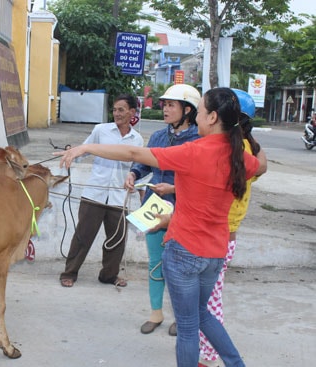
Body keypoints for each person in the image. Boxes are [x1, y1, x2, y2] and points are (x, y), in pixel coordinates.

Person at [56, 87, 267, 367]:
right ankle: (236, 364)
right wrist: (248, 138)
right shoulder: (239, 155)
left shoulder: (194, 150)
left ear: (213, 117)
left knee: (189, 326)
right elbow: (261, 166)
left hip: (185, 252)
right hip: (215, 253)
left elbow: (133, 152)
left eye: (201, 111)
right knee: (203, 314)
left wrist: (86, 147)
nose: (198, 116)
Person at [124, 84, 201, 336]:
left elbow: (203, 178)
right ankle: (156, 312)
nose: (165, 109)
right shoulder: (158, 136)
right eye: (164, 104)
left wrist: (175, 188)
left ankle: (183, 316)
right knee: (155, 262)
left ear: (188, 110)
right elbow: (144, 162)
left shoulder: (199, 140)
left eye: (171, 105)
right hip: (153, 208)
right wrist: (134, 174)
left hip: (183, 211)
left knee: (181, 268)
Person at [197, 89, 261, 367]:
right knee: (208, 300)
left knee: (209, 303)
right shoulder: (248, 149)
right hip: (226, 235)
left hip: (218, 236)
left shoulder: (236, 151)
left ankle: (210, 356)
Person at [59, 94, 144, 288]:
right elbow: (84, 149)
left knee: (117, 239)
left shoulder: (137, 139)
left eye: (121, 110)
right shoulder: (101, 130)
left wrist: (138, 185)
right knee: (83, 236)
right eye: (114, 110)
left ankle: (108, 275)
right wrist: (71, 154)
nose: (117, 113)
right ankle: (69, 273)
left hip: (119, 197)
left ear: (132, 112)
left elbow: (138, 166)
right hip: (94, 195)